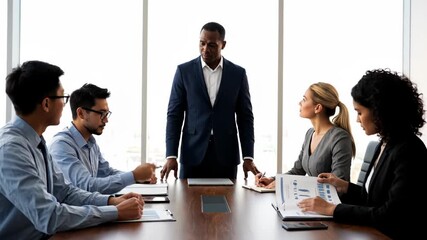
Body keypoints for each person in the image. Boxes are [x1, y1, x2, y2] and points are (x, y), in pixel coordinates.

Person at [0, 61, 144, 240]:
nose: (64, 104)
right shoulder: (11, 149)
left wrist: (111, 201)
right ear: (46, 104)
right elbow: (50, 217)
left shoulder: (37, 141)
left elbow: (65, 192)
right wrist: (114, 212)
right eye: (62, 97)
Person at [297, 69, 427, 239]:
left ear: (380, 111)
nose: (358, 120)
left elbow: (391, 215)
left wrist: (333, 209)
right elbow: (374, 199)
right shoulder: (384, 144)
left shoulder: (409, 150)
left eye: (360, 112)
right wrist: (344, 186)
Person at [160, 22, 260, 180]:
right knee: (188, 204)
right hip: (192, 155)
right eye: (202, 43)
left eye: (212, 45)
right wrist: (171, 155)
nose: (205, 49)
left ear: (223, 44)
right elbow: (174, 115)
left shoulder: (238, 74)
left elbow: (245, 117)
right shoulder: (184, 71)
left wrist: (248, 156)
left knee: (228, 204)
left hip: (226, 156)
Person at [49, 83, 157, 195]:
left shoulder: (90, 142)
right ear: (81, 113)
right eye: (101, 114)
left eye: (106, 114)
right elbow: (87, 186)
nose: (106, 120)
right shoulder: (61, 145)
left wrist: (138, 177)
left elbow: (106, 172)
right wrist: (134, 176)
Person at [256, 82, 355, 189]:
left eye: (304, 99)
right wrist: (273, 180)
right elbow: (297, 171)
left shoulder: (339, 138)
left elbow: (338, 184)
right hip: (314, 201)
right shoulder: (310, 133)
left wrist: (288, 185)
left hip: (331, 204)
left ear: (317, 108)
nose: (300, 103)